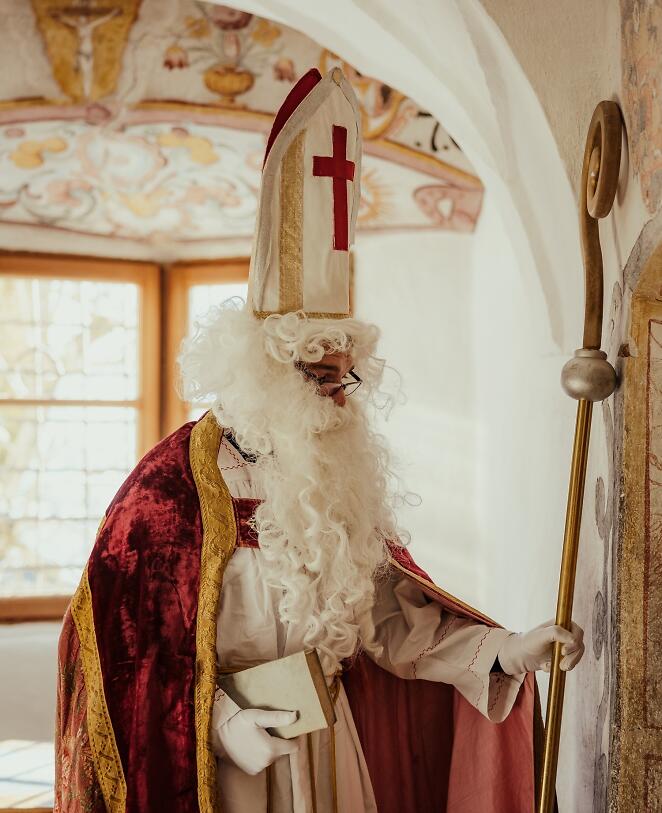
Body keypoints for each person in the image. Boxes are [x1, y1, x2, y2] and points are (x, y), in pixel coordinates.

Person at [54, 68, 583, 813]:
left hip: (332, 752)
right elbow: (122, 652)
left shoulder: (328, 476)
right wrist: (225, 724)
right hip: (228, 768)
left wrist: (501, 650)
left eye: (345, 379)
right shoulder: (170, 491)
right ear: (266, 372)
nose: (338, 398)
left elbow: (390, 624)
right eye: (320, 377)